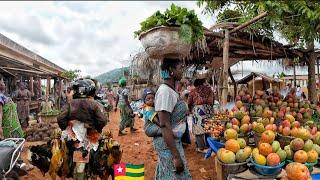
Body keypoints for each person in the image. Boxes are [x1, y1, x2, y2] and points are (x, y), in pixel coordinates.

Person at [154, 58, 191, 180]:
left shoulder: (171, 91)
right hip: (168, 144)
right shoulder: (165, 92)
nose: (182, 71)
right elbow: (164, 124)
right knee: (177, 176)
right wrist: (175, 156)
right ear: (171, 70)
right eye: (180, 68)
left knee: (168, 175)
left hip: (173, 142)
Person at [188, 76, 214, 153]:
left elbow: (189, 102)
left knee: (198, 128)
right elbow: (213, 100)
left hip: (198, 110)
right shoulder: (209, 90)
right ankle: (209, 144)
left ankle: (201, 147)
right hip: (208, 109)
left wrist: (190, 110)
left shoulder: (193, 91)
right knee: (208, 127)